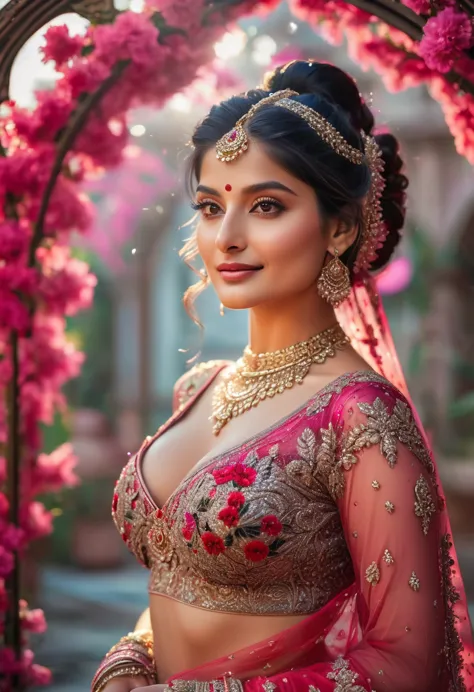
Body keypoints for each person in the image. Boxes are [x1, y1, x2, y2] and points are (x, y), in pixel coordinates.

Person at [91, 61, 474, 692]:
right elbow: (180, 581)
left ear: (341, 227)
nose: (227, 237)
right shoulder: (201, 388)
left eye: (266, 206)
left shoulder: (362, 419)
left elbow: (406, 668)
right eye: (211, 206)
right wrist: (129, 661)